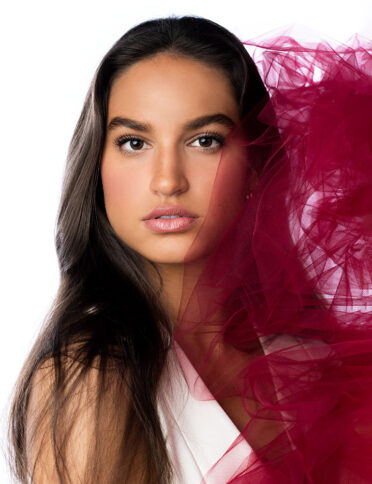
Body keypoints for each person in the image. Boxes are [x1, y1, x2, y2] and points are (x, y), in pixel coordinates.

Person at [6, 14, 372, 483]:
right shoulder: (93, 375)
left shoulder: (305, 357)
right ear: (97, 169)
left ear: (257, 167)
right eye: (134, 143)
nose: (167, 180)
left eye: (205, 141)